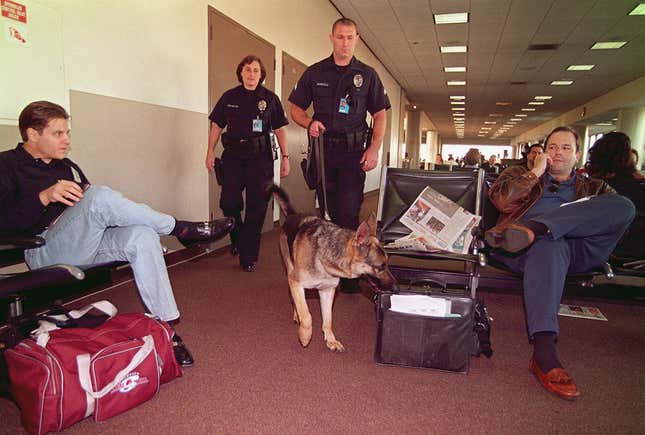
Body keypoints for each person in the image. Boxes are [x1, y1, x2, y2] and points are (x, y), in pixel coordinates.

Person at [0, 101, 236, 367]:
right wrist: (43, 197)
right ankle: (180, 228)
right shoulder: (6, 165)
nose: (66, 140)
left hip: (81, 244)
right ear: (32, 134)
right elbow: (5, 225)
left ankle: (166, 331)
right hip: (43, 248)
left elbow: (89, 213)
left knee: (142, 235)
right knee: (99, 197)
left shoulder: (64, 166)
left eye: (67, 132)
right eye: (58, 134)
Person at [484, 126, 635, 400]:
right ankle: (544, 351)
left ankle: (538, 227)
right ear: (543, 151)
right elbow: (501, 201)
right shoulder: (520, 175)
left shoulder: (596, 187)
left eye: (566, 148)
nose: (558, 152)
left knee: (624, 206)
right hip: (522, 252)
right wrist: (535, 173)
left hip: (578, 250)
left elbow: (612, 216)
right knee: (550, 245)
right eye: (552, 147)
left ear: (577, 156)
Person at [288, 17, 390, 292]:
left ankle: (350, 276)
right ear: (332, 38)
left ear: (356, 39)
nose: (345, 42)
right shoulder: (315, 73)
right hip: (324, 153)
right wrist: (308, 122)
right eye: (340, 37)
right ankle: (328, 267)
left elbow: (380, 114)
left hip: (354, 153)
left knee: (348, 210)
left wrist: (374, 148)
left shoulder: (368, 75)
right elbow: (294, 108)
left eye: (350, 37)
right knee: (327, 213)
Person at [205, 55, 290, 273]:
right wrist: (209, 151)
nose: (251, 74)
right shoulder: (229, 96)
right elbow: (216, 125)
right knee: (228, 202)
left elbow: (280, 128)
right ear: (240, 72)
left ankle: (248, 256)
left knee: (257, 207)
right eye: (247, 70)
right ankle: (239, 237)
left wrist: (286, 157)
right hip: (233, 156)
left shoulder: (270, 99)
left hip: (260, 158)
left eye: (255, 70)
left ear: (261, 75)